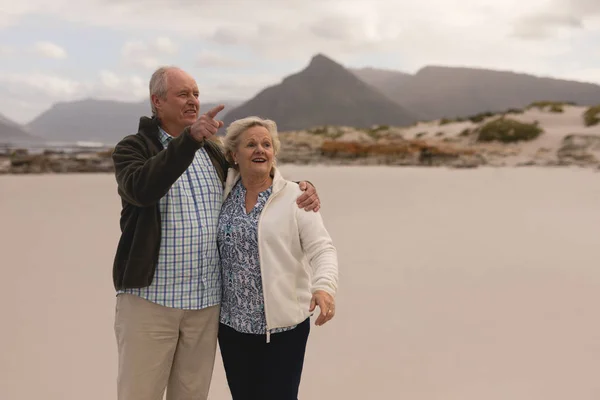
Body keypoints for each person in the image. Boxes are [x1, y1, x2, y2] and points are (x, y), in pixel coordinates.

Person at [110, 66, 321, 400]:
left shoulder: (212, 152)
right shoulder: (132, 148)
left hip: (205, 307)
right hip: (151, 302)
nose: (193, 100)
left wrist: (300, 188)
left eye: (195, 93)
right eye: (183, 94)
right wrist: (188, 141)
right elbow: (142, 189)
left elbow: (258, 175)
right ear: (157, 101)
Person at [217, 116, 339, 400]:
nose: (260, 149)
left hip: (283, 329)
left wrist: (324, 287)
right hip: (232, 329)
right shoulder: (223, 192)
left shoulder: (296, 197)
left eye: (266, 144)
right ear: (234, 155)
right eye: (251, 144)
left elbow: (322, 248)